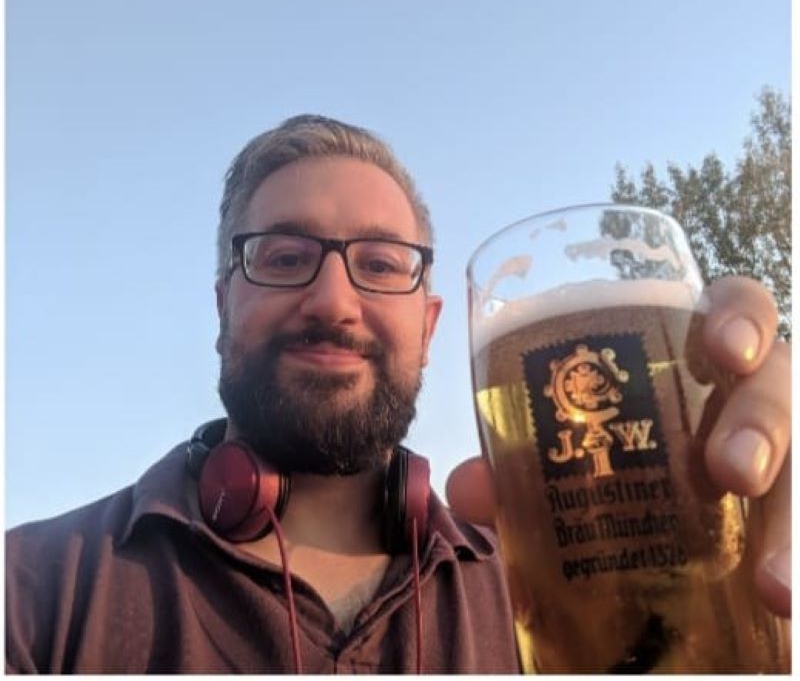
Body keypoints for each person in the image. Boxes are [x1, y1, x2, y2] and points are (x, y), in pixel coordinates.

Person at [5, 115, 790, 673]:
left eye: (382, 265)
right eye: (283, 257)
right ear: (223, 305)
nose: (334, 302)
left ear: (430, 324)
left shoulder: (543, 606)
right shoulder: (34, 592)